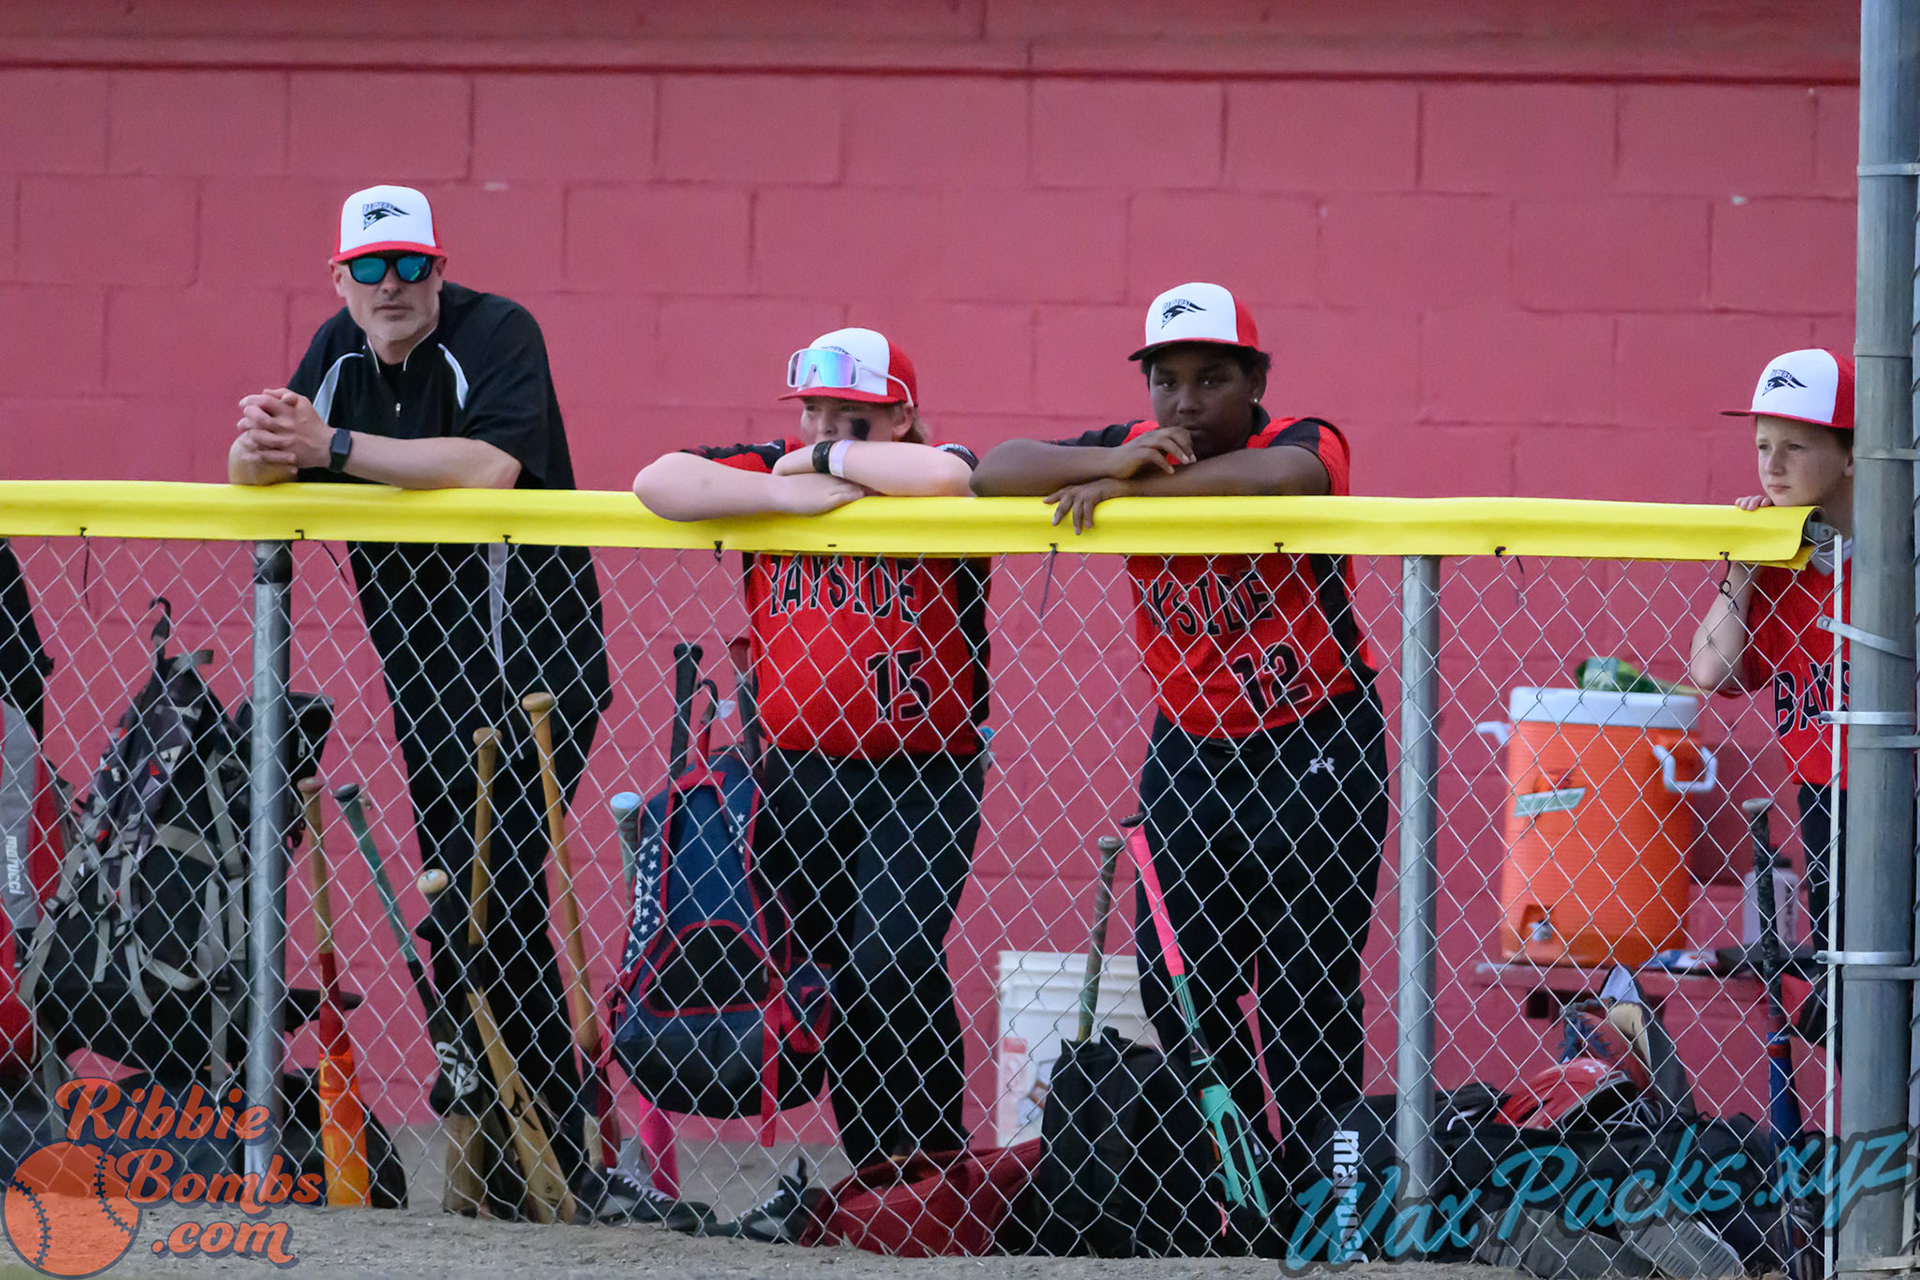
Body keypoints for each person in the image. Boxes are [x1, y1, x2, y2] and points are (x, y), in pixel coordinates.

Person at [226, 185, 620, 1215]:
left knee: (498, 902)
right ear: (342, 279)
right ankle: (507, 1136)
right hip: (424, 675)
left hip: (529, 666)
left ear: (439, 270)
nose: (391, 287)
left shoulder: (496, 335)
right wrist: (264, 433)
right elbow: (250, 470)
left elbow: (488, 465)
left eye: (411, 266)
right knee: (459, 908)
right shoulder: (337, 350)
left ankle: (560, 1142)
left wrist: (333, 448)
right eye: (372, 268)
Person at [971, 282, 1390, 1189]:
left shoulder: (1299, 439)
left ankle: (1327, 1186)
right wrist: (1122, 466)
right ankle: (1249, 1177)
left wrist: (1128, 486)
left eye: (1212, 379)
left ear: (1254, 382)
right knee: (1177, 982)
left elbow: (1289, 482)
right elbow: (994, 468)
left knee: (1301, 987)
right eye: (1167, 381)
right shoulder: (1132, 448)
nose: (1187, 402)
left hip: (1315, 741)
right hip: (1192, 749)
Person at [632, 327, 987, 1239]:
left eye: (854, 416)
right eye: (814, 413)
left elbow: (952, 481)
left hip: (922, 774)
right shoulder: (778, 471)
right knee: (835, 977)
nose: (826, 429)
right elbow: (658, 481)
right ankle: (878, 1179)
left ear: (900, 417)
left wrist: (829, 462)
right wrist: (790, 488)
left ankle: (934, 1162)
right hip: (796, 774)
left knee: (892, 958)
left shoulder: (932, 463)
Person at [1690, 347, 1853, 956]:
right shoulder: (1777, 567)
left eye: (1796, 446)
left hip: (1897, 790)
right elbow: (1710, 669)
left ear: (1851, 456)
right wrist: (1745, 565)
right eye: (1763, 446)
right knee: (1843, 985)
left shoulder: (1893, 561)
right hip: (1823, 796)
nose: (1772, 467)